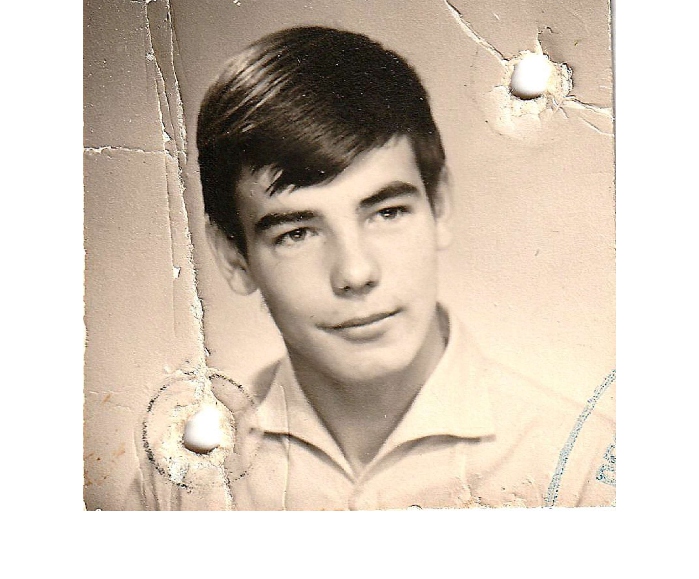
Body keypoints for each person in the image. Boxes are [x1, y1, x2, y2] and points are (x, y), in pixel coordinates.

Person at [128, 26, 614, 510]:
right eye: (297, 233)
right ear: (234, 257)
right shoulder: (180, 475)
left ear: (439, 206)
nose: (355, 273)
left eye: (387, 213)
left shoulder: (580, 463)